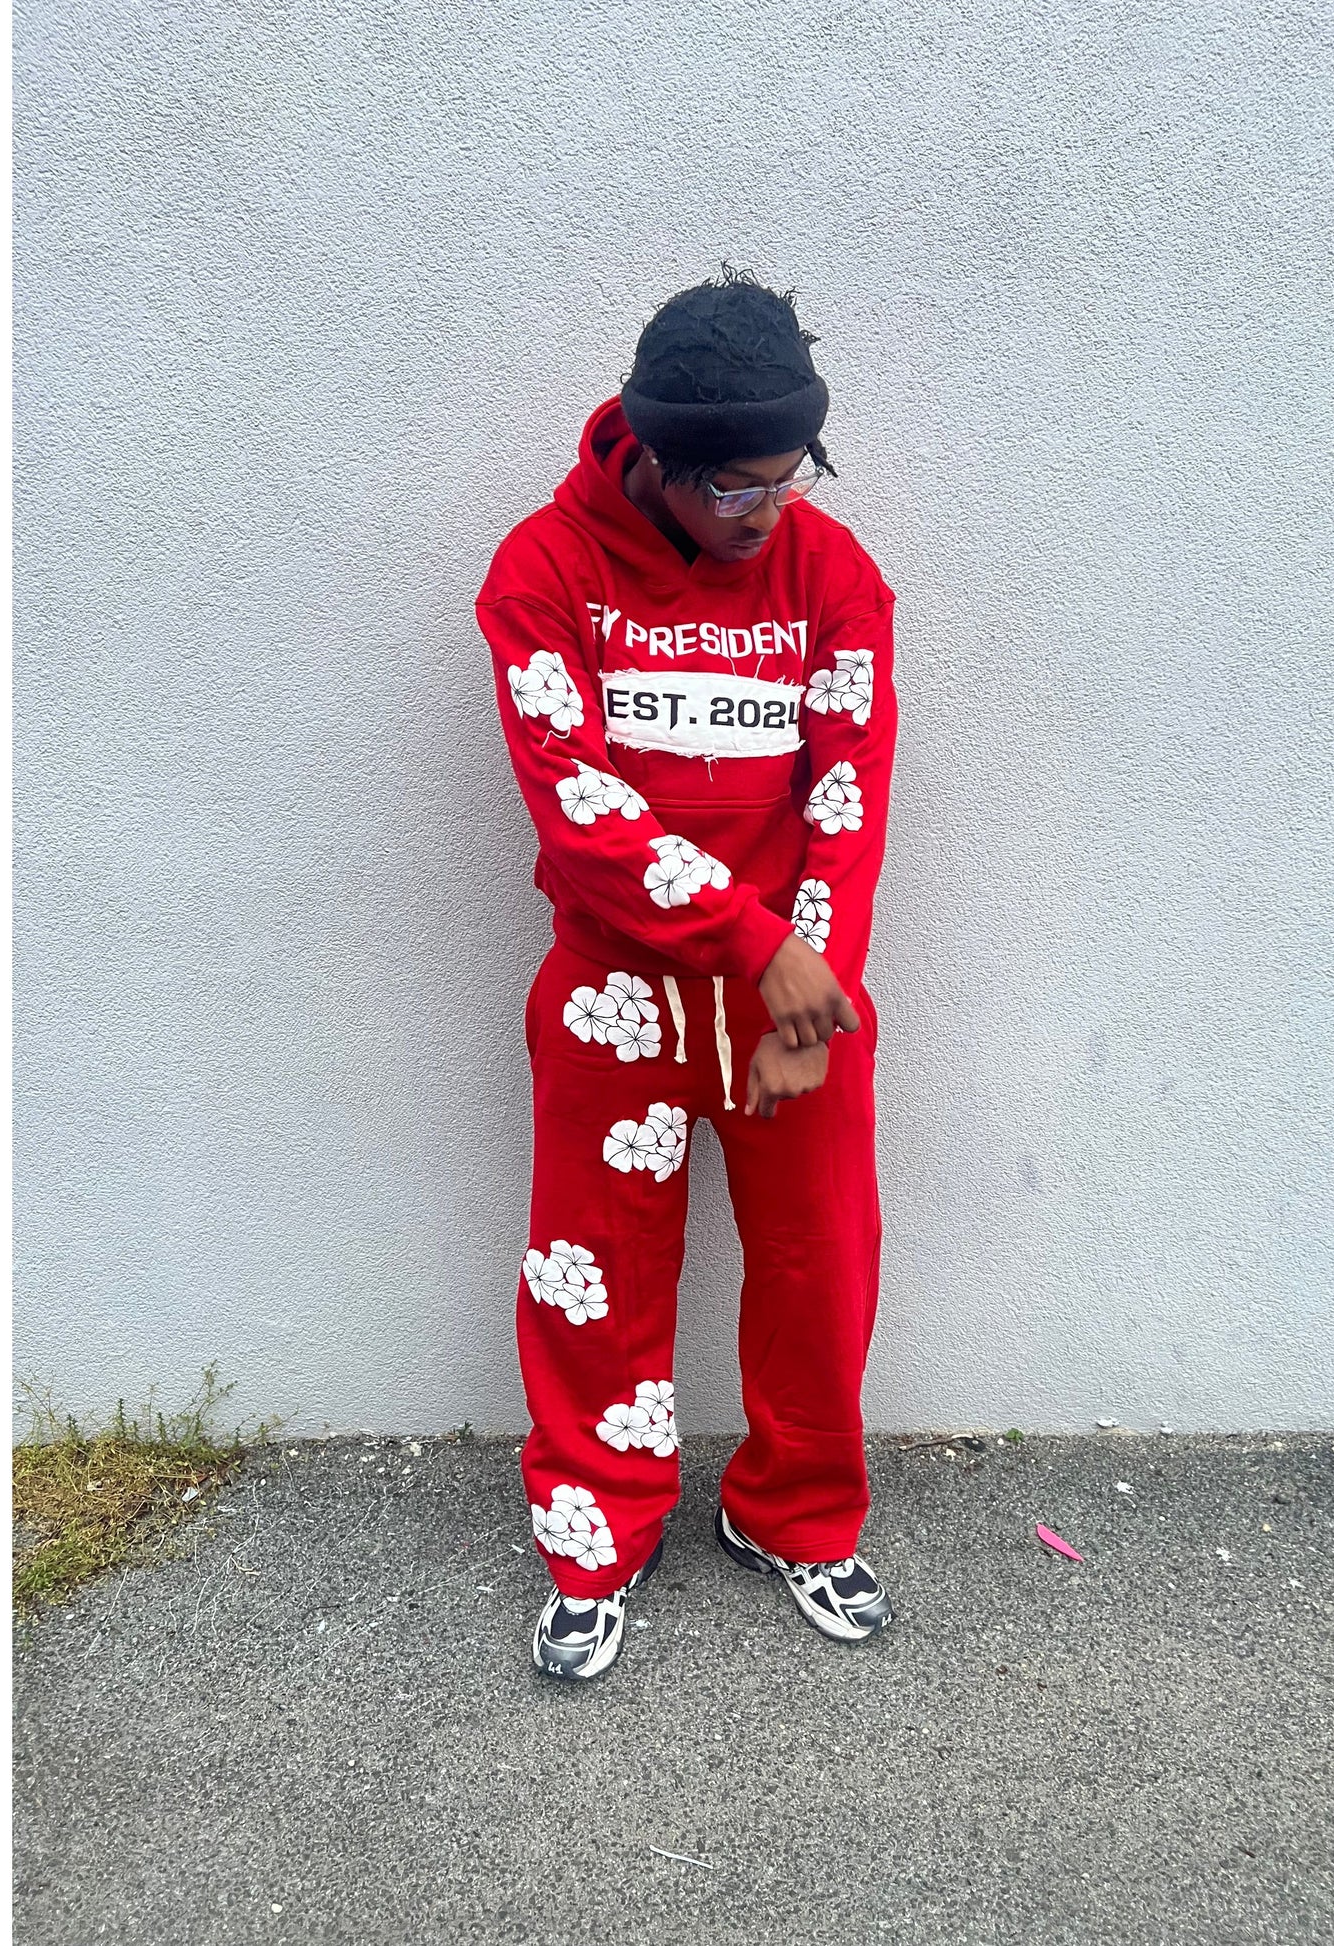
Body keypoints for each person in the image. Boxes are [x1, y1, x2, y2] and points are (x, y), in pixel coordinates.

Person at [477, 267, 899, 1680]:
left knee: (819, 1264)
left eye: (788, 477)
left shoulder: (831, 574)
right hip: (620, 992)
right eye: (732, 487)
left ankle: (795, 1516)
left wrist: (809, 974)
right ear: (656, 457)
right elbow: (576, 806)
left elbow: (849, 789)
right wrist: (759, 945)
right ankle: (596, 1532)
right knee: (595, 1268)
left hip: (796, 994)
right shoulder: (546, 570)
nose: (764, 511)